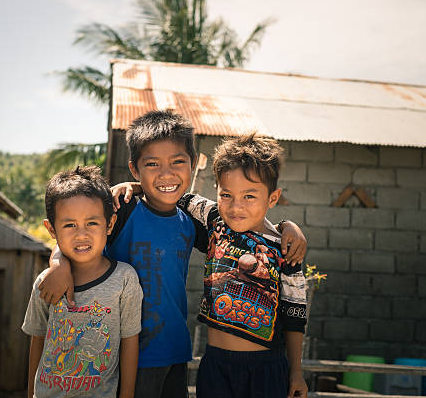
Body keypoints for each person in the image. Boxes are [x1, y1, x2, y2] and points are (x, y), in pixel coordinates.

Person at [38, 110, 307, 398]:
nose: (166, 174)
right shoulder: (123, 210)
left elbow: (247, 229)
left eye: (178, 162)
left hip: (177, 352)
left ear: (192, 165)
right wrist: (59, 263)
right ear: (135, 168)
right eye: (152, 164)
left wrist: (288, 227)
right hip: (126, 353)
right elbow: (77, 236)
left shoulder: (196, 221)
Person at [178, 133, 309, 398]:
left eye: (249, 196)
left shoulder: (285, 249)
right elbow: (175, 197)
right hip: (215, 366)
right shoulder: (215, 220)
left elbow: (295, 314)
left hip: (266, 370)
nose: (236, 206)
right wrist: (133, 187)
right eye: (226, 194)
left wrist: (296, 372)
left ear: (272, 198)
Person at [22, 166, 143, 398]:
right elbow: (38, 340)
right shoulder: (45, 283)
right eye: (69, 225)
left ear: (109, 224)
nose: (81, 234)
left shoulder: (124, 280)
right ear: (51, 229)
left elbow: (130, 343)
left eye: (92, 223)